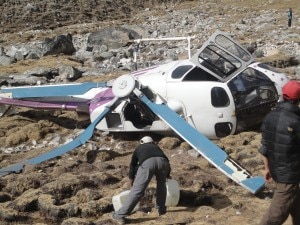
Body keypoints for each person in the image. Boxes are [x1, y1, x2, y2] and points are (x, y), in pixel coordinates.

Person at [259, 80, 300, 225]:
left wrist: (267, 168)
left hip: (277, 170)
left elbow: (264, 146)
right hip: (289, 176)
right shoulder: (296, 121)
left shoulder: (270, 116)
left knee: (296, 206)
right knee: (276, 215)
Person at [112, 136, 171, 224]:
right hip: (163, 162)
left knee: (137, 190)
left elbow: (133, 165)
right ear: (152, 142)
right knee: (162, 186)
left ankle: (119, 215)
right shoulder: (156, 147)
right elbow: (165, 159)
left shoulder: (139, 147)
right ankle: (161, 210)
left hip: (148, 163)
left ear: (142, 142)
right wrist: (168, 174)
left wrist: (131, 179)